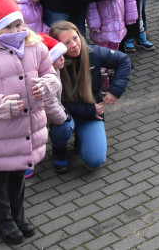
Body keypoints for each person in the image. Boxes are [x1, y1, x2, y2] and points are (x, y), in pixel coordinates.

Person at [0, 0, 64, 245]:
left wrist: (49, 85)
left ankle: (17, 215)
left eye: (19, 23)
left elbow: (51, 75)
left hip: (29, 126)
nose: (16, 29)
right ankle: (2, 220)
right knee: (0, 176)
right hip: (1, 131)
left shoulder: (36, 47)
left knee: (20, 172)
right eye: (9, 26)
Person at [48, 20, 130, 172]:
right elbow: (58, 102)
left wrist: (115, 91)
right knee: (63, 127)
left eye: (75, 38)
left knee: (95, 161)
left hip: (91, 113)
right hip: (66, 114)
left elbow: (124, 60)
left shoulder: (92, 52)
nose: (74, 45)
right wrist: (90, 111)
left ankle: (81, 140)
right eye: (66, 42)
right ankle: (59, 150)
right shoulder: (50, 65)